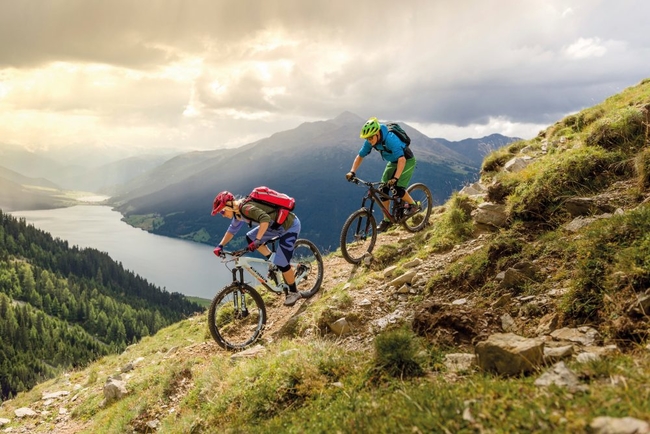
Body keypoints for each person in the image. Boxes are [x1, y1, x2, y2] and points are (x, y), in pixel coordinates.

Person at [211, 191, 303, 306]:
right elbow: (232, 230)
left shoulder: (246, 208)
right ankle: (272, 259)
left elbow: (265, 219)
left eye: (222, 211)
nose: (223, 214)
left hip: (289, 226)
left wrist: (258, 240)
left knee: (282, 263)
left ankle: (294, 292)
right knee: (250, 237)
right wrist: (220, 246)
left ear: (230, 204)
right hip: (274, 227)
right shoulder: (238, 214)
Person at [346, 117, 418, 232]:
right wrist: (352, 171)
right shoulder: (370, 142)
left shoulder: (391, 139)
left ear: (377, 133)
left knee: (397, 188)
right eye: (367, 138)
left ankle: (413, 205)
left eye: (370, 138)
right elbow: (360, 156)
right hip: (393, 162)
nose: (369, 140)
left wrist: (395, 178)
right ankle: (387, 220)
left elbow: (402, 160)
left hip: (406, 161)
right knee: (382, 190)